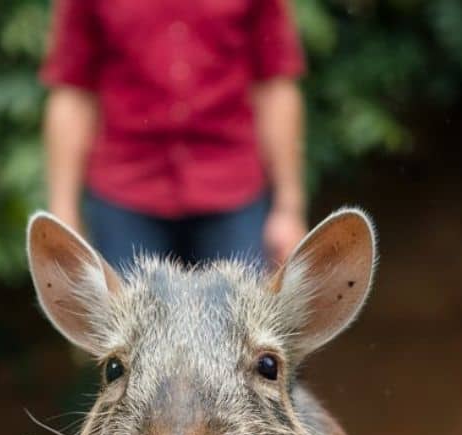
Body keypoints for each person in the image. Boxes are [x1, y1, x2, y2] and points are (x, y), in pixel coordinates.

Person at [40, 0, 310, 272]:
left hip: (231, 189)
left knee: (240, 315)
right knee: (128, 316)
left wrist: (288, 210)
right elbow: (72, 92)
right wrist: (63, 213)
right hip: (126, 192)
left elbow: (275, 86)